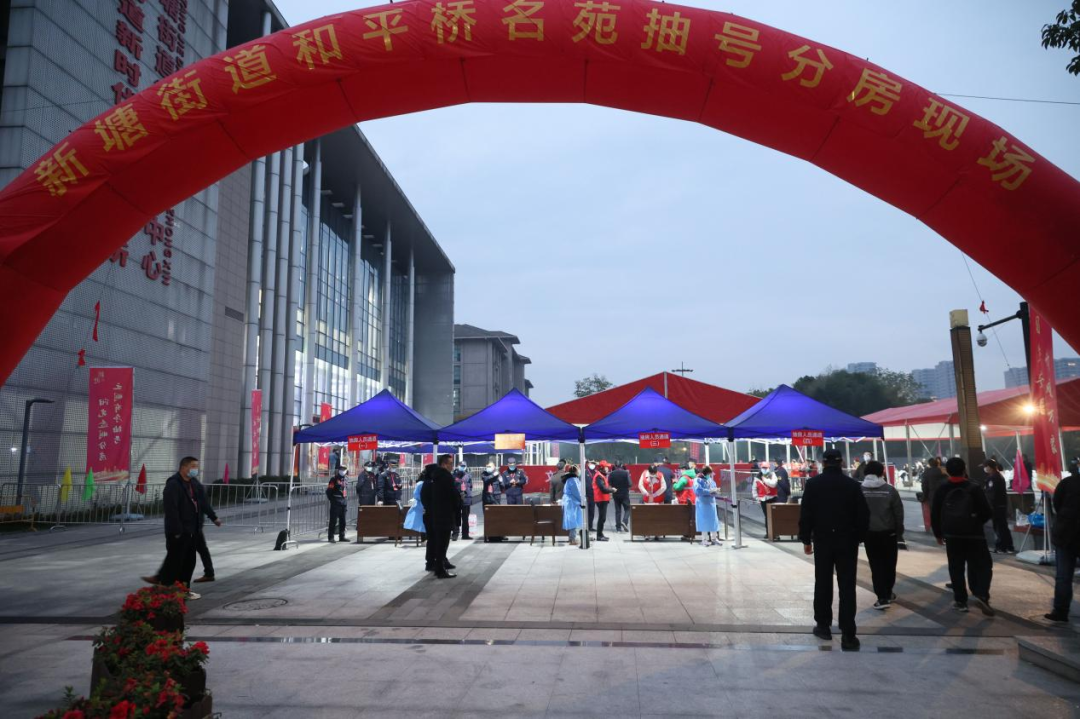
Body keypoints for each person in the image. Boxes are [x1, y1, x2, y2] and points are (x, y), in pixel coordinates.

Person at [798, 448, 870, 651]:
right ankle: (848, 634)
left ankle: (823, 626)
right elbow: (863, 514)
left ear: (823, 463)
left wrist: (806, 538)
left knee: (823, 582)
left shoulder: (813, 484)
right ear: (841, 462)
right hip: (847, 541)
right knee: (847, 586)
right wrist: (858, 537)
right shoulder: (852, 485)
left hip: (823, 540)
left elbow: (806, 513)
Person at [145, 457, 220, 600]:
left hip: (193, 530)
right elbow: (171, 509)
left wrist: (213, 517)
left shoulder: (194, 483)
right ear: (184, 467)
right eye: (193, 466)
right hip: (179, 531)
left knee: (189, 562)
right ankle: (165, 592)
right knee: (175, 563)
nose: (196, 469)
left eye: (196, 466)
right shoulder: (174, 484)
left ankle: (183, 590)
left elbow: (203, 502)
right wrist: (177, 531)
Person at [931, 457, 995, 617]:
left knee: (956, 567)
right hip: (974, 534)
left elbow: (935, 512)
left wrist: (938, 533)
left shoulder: (942, 488)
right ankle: (981, 594)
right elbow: (987, 511)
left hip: (952, 535)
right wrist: (975, 522)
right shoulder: (974, 487)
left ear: (947, 471)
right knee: (982, 565)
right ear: (964, 470)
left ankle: (961, 601)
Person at [860, 460, 903, 609]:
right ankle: (888, 592)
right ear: (881, 472)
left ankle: (882, 597)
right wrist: (899, 532)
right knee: (889, 564)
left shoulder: (860, 490)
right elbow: (898, 513)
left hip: (869, 534)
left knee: (876, 565)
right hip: (888, 533)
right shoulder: (890, 490)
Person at [1047, 459, 1080, 623]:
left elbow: (1057, 504)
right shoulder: (1068, 483)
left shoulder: (1067, 483)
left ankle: (1060, 611)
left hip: (1065, 535)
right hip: (1067, 534)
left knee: (1063, 576)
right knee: (1063, 576)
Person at [420, 454, 461, 579]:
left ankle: (438, 564)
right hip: (443, 515)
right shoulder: (444, 478)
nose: (452, 466)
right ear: (444, 464)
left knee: (437, 542)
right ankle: (439, 568)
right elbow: (451, 496)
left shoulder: (434, 479)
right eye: (450, 464)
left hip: (435, 515)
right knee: (441, 542)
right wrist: (458, 501)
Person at [983, 459, 1015, 554]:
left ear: (989, 467)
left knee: (999, 526)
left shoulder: (993, 478)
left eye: (985, 466)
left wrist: (989, 505)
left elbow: (991, 494)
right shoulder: (998, 476)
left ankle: (1001, 547)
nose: (984, 469)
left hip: (996, 506)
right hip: (1001, 505)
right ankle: (1009, 546)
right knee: (1003, 526)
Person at [694, 467, 722, 546]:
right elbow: (698, 491)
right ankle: (704, 539)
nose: (710, 475)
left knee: (714, 521)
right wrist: (710, 491)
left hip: (711, 503)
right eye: (709, 473)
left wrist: (716, 491)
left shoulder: (710, 480)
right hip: (702, 503)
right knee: (704, 521)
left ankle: (714, 538)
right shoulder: (698, 480)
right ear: (705, 473)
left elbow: (714, 487)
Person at [919, 458, 945, 533]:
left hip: (933, 494)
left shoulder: (927, 472)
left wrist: (924, 495)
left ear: (930, 464)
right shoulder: (943, 470)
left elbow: (924, 485)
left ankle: (936, 529)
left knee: (934, 512)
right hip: (943, 494)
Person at [403, 469, 427, 551]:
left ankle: (425, 539)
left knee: (425, 522)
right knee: (422, 523)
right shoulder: (420, 484)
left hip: (424, 504)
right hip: (420, 505)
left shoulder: (425, 483)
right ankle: (424, 540)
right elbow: (416, 495)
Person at [326, 464, 349, 543]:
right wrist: (333, 500)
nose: (343, 471)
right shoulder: (334, 479)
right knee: (333, 521)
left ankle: (342, 536)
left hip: (343, 502)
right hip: (336, 502)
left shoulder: (346, 479)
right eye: (341, 469)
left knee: (343, 521)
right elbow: (329, 491)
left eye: (344, 469)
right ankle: (331, 537)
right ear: (338, 470)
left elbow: (345, 489)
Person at [562, 464, 584, 546]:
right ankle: (572, 539)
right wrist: (582, 500)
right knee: (573, 520)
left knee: (572, 519)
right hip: (572, 502)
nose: (579, 471)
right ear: (575, 471)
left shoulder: (570, 479)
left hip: (571, 502)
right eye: (578, 469)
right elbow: (576, 492)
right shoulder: (573, 480)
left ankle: (572, 538)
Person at [592, 464, 614, 541]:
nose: (607, 469)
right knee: (602, 518)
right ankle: (599, 535)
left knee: (602, 518)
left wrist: (610, 489)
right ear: (602, 468)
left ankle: (600, 534)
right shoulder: (599, 476)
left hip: (603, 499)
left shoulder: (601, 475)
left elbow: (605, 487)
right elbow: (603, 489)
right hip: (600, 499)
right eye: (606, 467)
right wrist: (612, 490)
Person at [452, 461, 473, 541]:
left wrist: (467, 493)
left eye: (464, 466)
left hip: (466, 498)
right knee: (456, 517)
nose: (462, 467)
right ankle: (455, 534)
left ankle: (465, 534)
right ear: (458, 466)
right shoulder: (454, 475)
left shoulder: (468, 475)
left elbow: (470, 486)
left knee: (465, 517)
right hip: (457, 498)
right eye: (461, 466)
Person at [609, 462, 632, 533]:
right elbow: (630, 484)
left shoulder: (611, 474)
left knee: (618, 511)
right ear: (621, 465)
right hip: (624, 494)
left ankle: (618, 528)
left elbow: (609, 483)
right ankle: (624, 522)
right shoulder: (625, 473)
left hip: (616, 494)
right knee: (628, 509)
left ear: (615, 466)